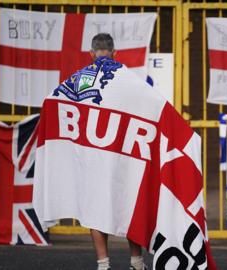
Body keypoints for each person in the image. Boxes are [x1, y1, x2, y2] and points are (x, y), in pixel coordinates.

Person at [87, 33, 147, 270]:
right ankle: (137, 262)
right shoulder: (127, 77)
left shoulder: (84, 79)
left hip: (95, 152)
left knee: (96, 207)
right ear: (115, 53)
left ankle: (103, 265)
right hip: (123, 151)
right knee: (128, 205)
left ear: (91, 54)